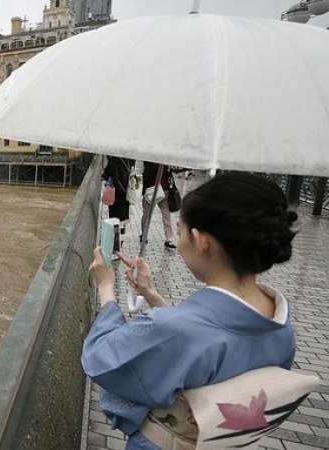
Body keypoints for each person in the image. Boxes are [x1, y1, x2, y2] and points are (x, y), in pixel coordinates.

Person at [83, 173, 298, 449]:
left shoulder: (175, 329)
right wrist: (150, 294)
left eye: (182, 231)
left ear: (200, 240)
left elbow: (101, 358)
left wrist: (106, 287)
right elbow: (199, 337)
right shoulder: (279, 324)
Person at [141, 162, 176, 249]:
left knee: (166, 216)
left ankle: (169, 239)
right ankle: (143, 234)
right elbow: (146, 173)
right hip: (151, 191)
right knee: (146, 216)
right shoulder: (150, 160)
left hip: (164, 192)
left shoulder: (167, 161)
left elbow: (174, 171)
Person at [103, 157, 135, 239]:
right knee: (122, 220)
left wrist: (104, 173)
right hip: (126, 193)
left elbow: (113, 178)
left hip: (116, 195)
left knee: (115, 220)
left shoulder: (114, 160)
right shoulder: (129, 159)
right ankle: (119, 240)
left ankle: (116, 243)